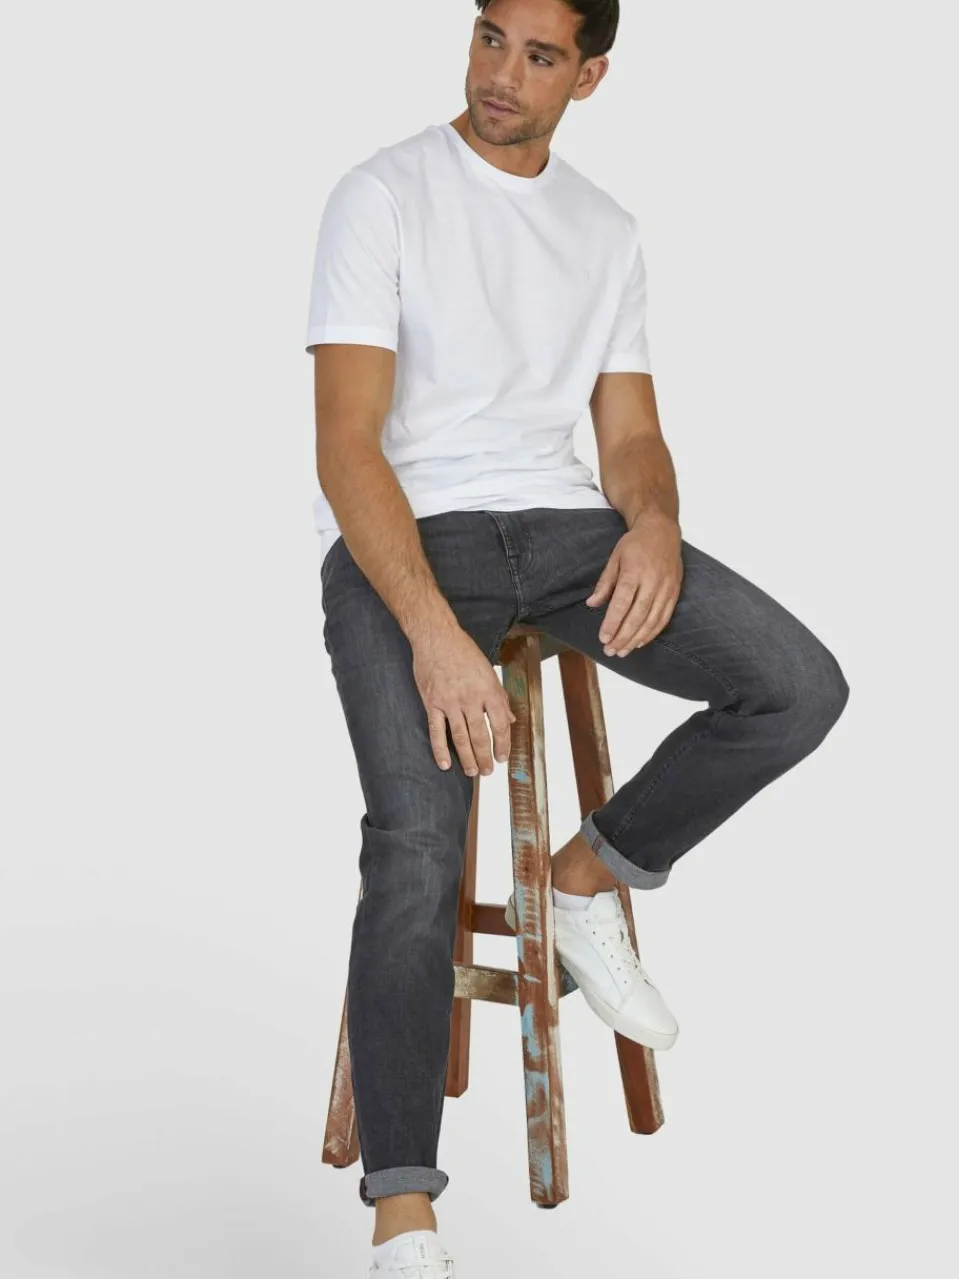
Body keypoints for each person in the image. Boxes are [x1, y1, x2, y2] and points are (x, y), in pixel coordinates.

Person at [304, 1, 849, 1274]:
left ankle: (584, 877)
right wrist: (430, 632)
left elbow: (630, 433)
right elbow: (344, 444)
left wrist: (652, 523)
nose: (500, 72)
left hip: (562, 534)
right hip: (410, 538)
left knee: (795, 685)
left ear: (589, 75)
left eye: (538, 55)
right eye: (488, 36)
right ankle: (403, 1214)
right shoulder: (380, 194)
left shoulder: (604, 231)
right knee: (415, 843)